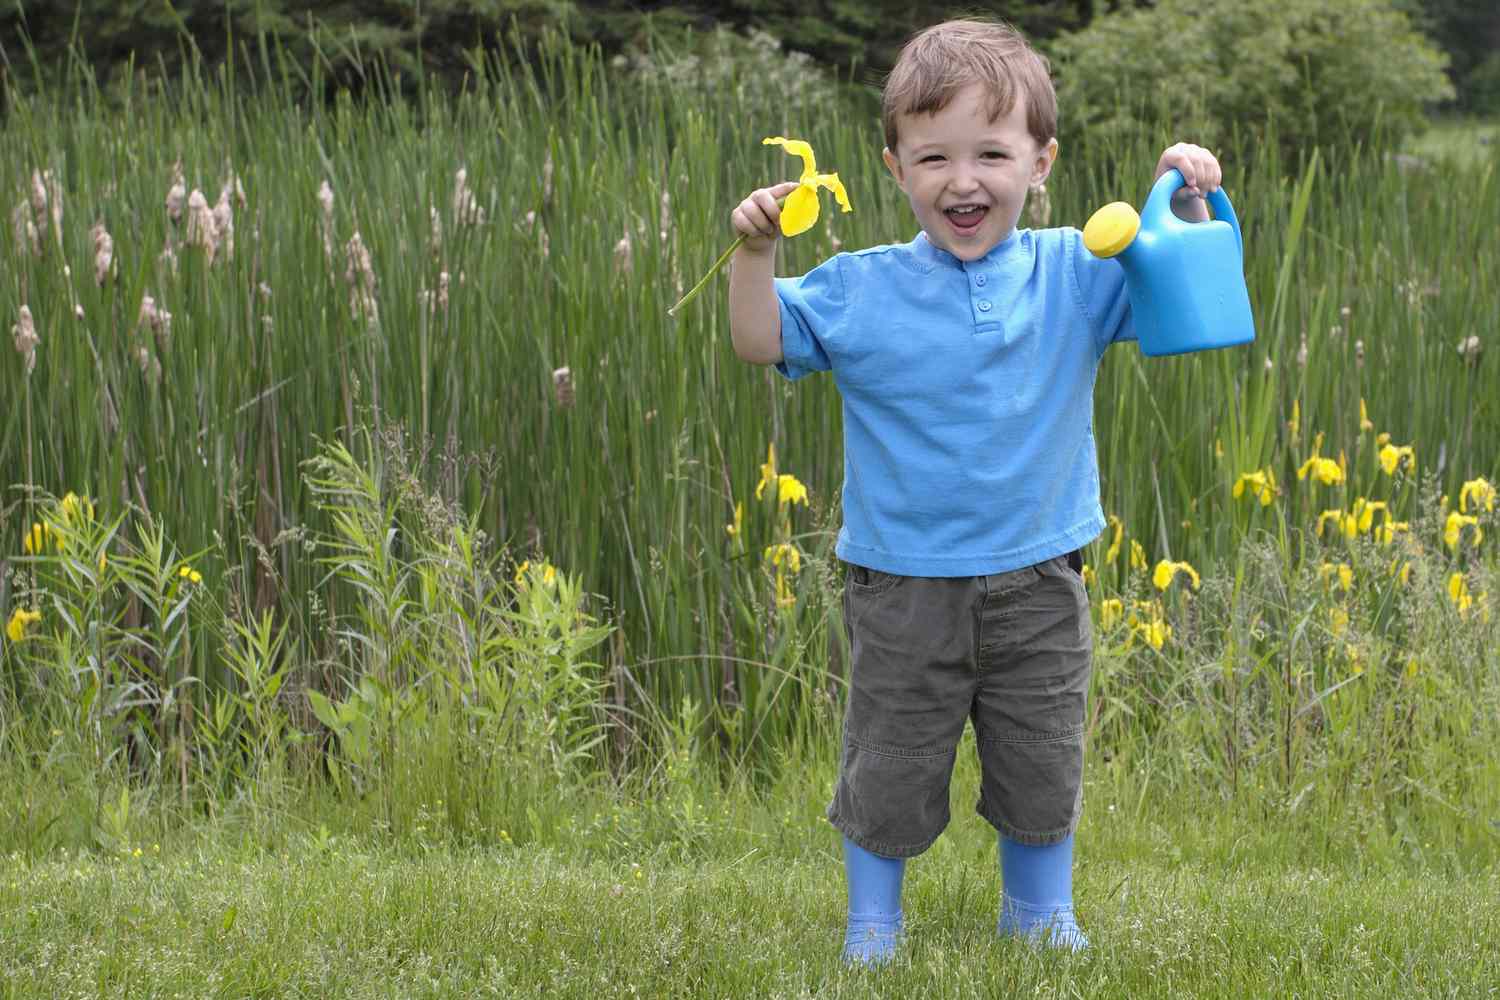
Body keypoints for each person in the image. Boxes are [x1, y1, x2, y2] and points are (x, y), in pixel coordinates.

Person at [725, 17, 1224, 965]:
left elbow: (1181, 294)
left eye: (992, 153)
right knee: (890, 761)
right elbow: (760, 340)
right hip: (901, 582)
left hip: (1042, 578)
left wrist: (1188, 200)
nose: (964, 180)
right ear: (895, 168)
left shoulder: (1079, 269)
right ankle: (873, 922)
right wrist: (756, 254)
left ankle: (1038, 912)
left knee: (1042, 756)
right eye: (934, 156)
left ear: (1041, 161)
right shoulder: (859, 288)